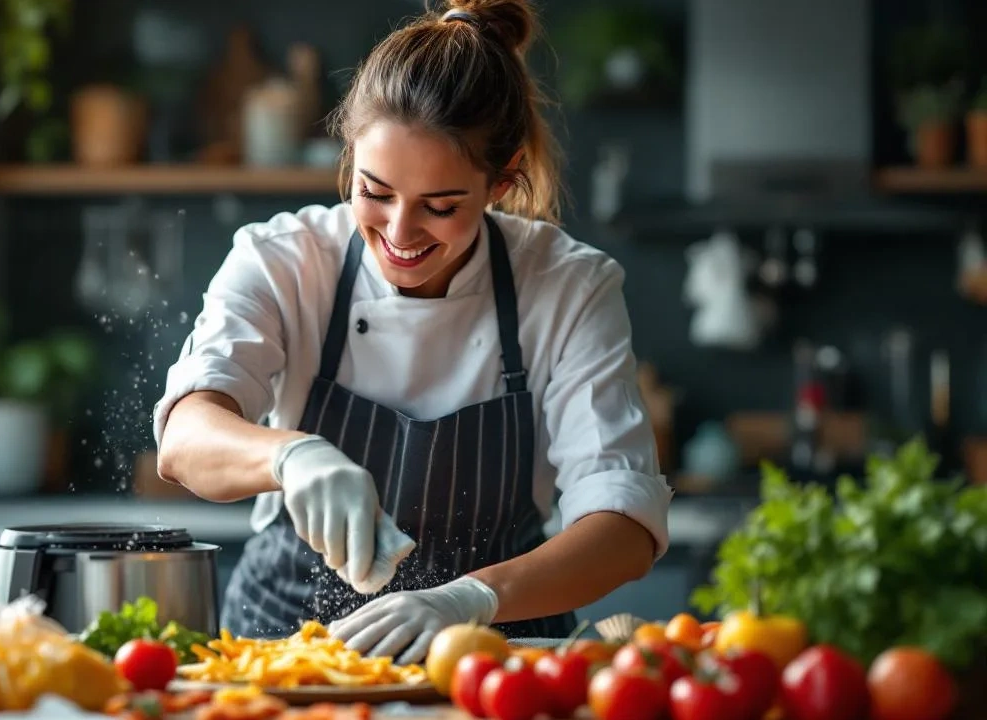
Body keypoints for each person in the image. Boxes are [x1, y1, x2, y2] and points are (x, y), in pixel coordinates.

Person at [154, 0, 672, 664]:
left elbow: (623, 527)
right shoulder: (282, 259)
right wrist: (292, 457)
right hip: (287, 656)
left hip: (489, 662)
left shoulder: (567, 286)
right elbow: (185, 436)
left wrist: (468, 600)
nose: (399, 234)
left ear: (501, 182)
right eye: (375, 191)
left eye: (442, 206)